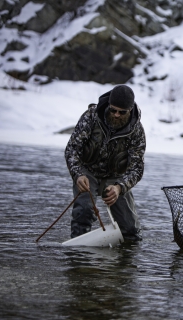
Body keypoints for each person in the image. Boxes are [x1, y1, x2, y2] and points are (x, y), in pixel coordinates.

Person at [65, 84, 146, 241]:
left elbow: (137, 169)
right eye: (113, 110)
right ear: (109, 104)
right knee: (84, 213)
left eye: (122, 112)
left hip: (116, 178)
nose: (116, 115)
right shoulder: (90, 116)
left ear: (130, 110)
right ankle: (78, 258)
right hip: (87, 172)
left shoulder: (137, 131)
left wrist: (119, 187)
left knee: (130, 230)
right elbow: (72, 150)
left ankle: (125, 260)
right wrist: (78, 174)